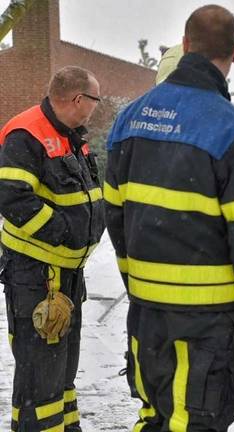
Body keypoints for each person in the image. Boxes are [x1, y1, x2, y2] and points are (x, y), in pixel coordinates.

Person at [103, 6, 234, 431]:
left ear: (184, 45)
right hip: (206, 323)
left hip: (147, 315)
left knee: (157, 415)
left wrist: (137, 284)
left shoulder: (130, 119)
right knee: (195, 421)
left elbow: (115, 215)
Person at [0, 66, 104, 432]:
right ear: (78, 99)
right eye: (95, 100)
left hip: (67, 273)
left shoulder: (70, 135)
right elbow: (11, 197)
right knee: (40, 373)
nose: (96, 108)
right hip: (38, 275)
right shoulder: (26, 134)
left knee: (61, 370)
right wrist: (62, 231)